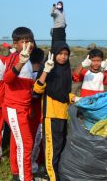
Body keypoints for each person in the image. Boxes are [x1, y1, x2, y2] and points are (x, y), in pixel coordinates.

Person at [33, 42, 72, 181]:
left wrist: (77, 99)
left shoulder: (66, 70)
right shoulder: (48, 69)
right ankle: (52, 177)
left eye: (66, 54)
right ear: (54, 54)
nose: (63, 57)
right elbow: (37, 89)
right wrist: (46, 71)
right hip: (50, 115)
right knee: (51, 151)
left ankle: (57, 175)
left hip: (63, 115)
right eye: (60, 54)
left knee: (60, 148)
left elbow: (66, 94)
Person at [2, 27, 36, 181]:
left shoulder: (25, 59)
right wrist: (20, 63)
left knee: (17, 142)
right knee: (26, 143)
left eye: (30, 41)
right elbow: (7, 79)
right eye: (24, 41)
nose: (28, 44)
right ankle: (25, 178)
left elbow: (26, 84)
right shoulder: (16, 58)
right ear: (15, 43)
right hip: (14, 108)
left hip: (22, 107)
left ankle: (16, 173)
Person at [29, 48, 45, 176]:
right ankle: (34, 164)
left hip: (28, 110)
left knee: (31, 137)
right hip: (38, 110)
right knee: (37, 138)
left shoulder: (27, 73)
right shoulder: (40, 76)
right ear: (41, 60)